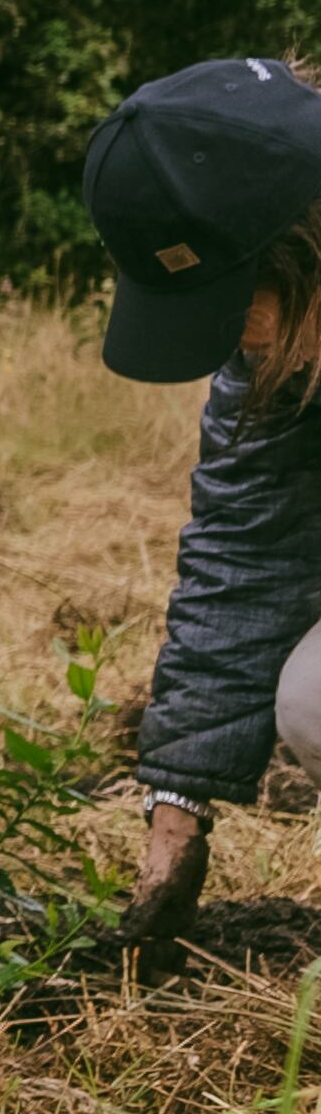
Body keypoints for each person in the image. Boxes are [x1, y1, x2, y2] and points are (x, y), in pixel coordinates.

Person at [98, 59, 321, 943]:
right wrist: (176, 811)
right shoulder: (279, 366)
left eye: (234, 307)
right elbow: (242, 553)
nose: (233, 344)